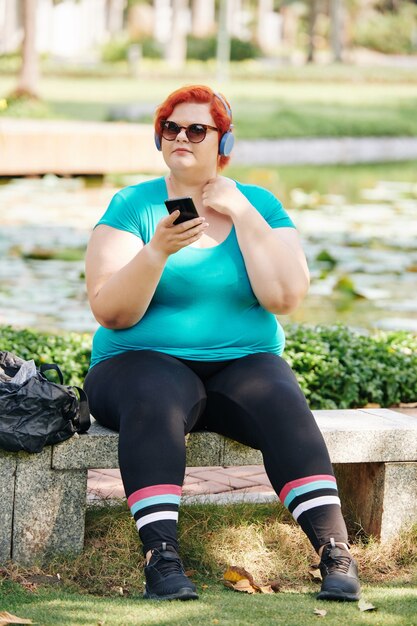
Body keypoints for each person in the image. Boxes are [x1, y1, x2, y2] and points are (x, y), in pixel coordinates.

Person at [84, 84, 360, 603]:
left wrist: (244, 215)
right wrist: (157, 252)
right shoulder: (132, 205)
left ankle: (335, 553)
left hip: (241, 365)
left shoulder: (259, 204)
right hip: (135, 365)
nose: (181, 137)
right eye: (171, 127)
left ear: (222, 141)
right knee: (157, 393)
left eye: (196, 129)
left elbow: (284, 296)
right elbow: (110, 309)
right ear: (159, 138)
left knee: (280, 396)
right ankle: (161, 559)